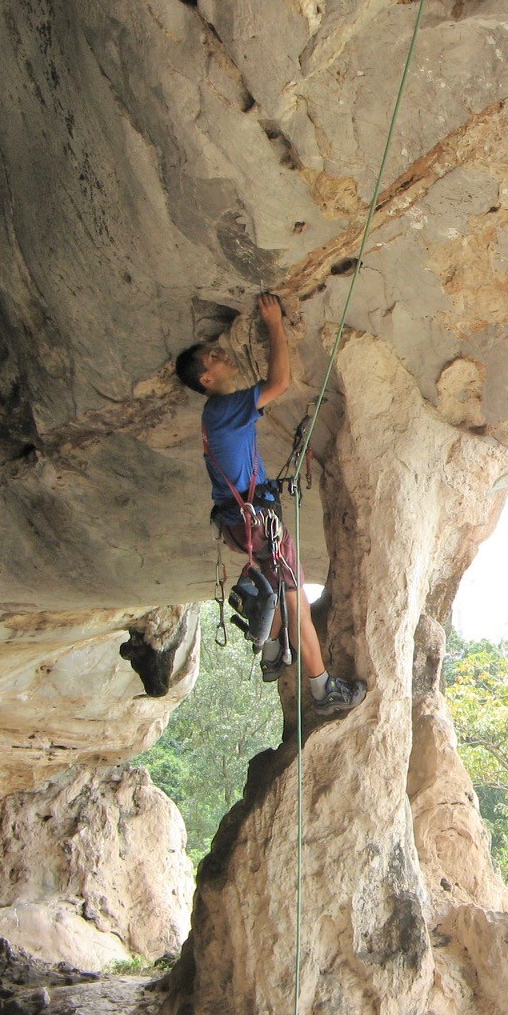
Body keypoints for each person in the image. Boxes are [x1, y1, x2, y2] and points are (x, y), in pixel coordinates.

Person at [174, 292, 366, 711]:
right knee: (295, 600)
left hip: (243, 521)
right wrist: (275, 323)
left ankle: (273, 653)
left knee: (279, 588)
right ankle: (323, 688)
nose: (221, 354)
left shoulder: (219, 414)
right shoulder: (224, 408)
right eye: (212, 357)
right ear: (206, 379)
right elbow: (278, 384)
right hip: (258, 524)